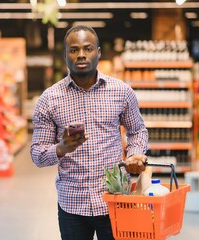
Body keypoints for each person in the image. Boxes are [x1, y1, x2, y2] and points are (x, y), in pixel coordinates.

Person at [30, 25, 148, 240]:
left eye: (88, 48)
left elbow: (137, 130)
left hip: (114, 199)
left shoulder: (121, 91)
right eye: (74, 50)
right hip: (72, 204)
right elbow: (37, 155)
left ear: (98, 52)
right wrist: (61, 148)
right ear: (65, 55)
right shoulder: (49, 99)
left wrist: (134, 154)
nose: (81, 54)